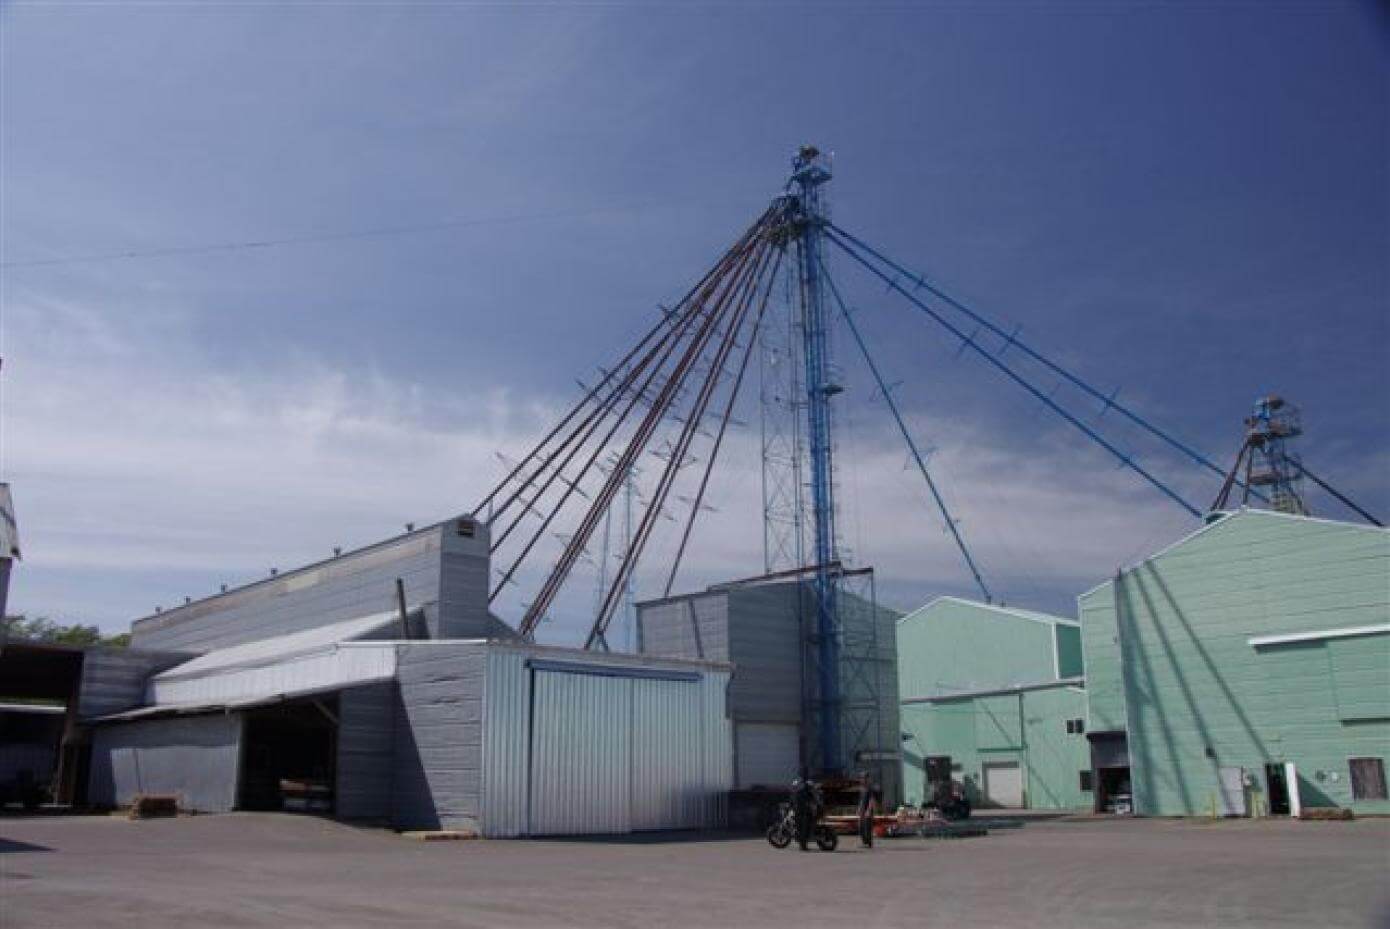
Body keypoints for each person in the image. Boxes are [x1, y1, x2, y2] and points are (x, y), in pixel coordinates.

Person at [856, 770, 882, 848]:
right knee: (860, 826)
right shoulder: (862, 789)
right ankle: (865, 842)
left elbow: (872, 800)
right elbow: (861, 800)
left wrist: (868, 810)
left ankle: (869, 843)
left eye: (864, 778)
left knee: (867, 826)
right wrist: (859, 808)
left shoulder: (870, 788)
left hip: (868, 809)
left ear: (868, 778)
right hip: (863, 809)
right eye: (861, 778)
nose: (862, 779)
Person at [791, 773, 814, 852]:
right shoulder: (803, 792)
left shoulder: (800, 792)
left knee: (802, 827)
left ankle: (803, 844)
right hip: (802, 811)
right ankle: (803, 845)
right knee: (803, 827)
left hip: (800, 811)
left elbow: (793, 802)